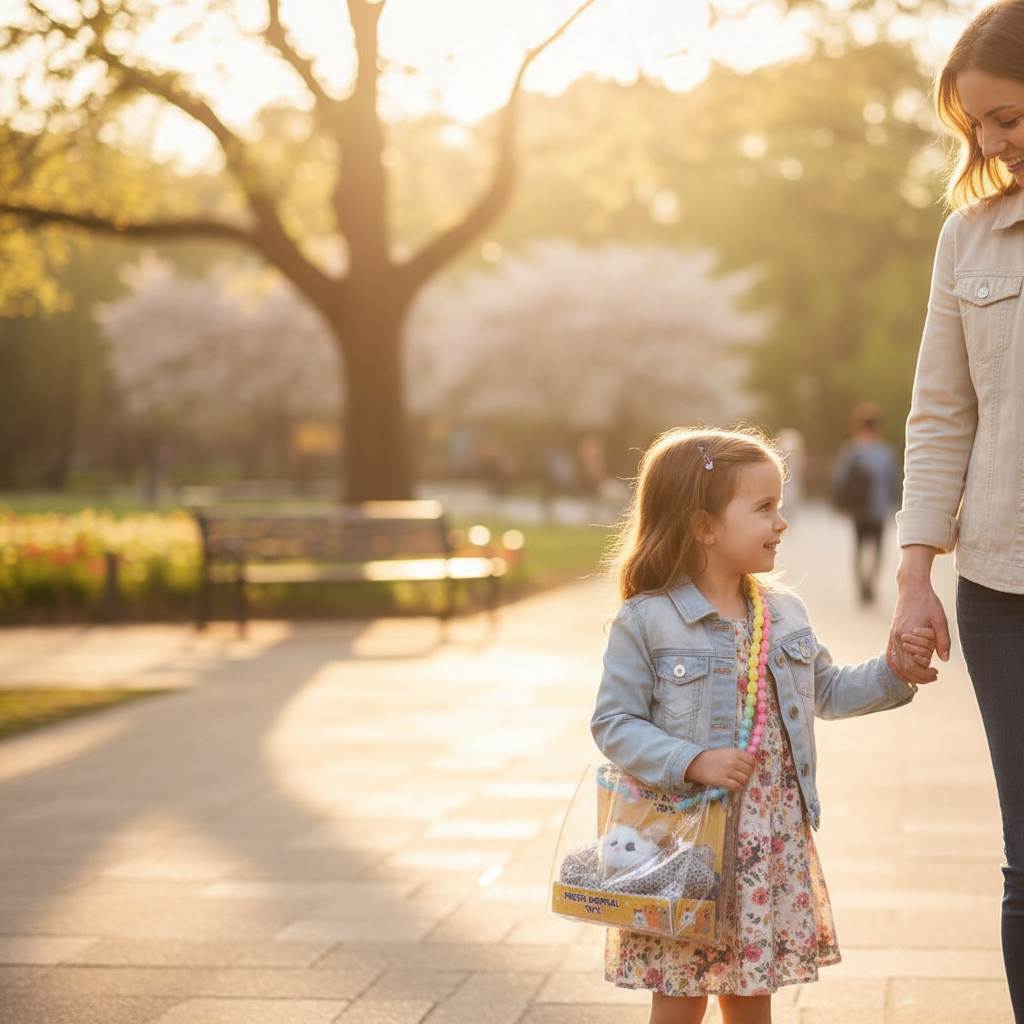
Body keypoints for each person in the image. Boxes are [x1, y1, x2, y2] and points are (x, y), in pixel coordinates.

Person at [591, 427, 935, 1024]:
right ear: (703, 525)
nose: (782, 522)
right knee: (680, 995)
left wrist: (892, 671)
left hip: (764, 845)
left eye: (781, 505)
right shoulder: (647, 620)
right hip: (687, 846)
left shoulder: (784, 612)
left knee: (752, 993)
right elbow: (614, 722)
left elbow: (824, 689)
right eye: (765, 508)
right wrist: (691, 760)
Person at [887, 2, 1024, 1016]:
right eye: (975, 123)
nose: (989, 142)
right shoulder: (968, 239)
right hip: (1003, 588)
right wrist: (912, 579)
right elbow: (939, 414)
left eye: (1009, 117)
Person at [830, 403, 901, 605]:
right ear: (879, 428)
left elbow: (840, 480)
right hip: (879, 509)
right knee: (877, 550)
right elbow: (894, 479)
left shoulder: (851, 451)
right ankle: (871, 584)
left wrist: (839, 505)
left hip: (858, 510)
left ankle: (862, 586)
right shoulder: (885, 452)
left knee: (859, 549)